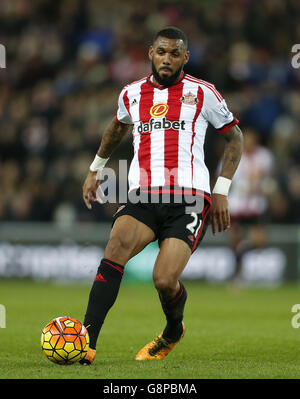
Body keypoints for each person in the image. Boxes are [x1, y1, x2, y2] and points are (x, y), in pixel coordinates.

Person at [80, 26, 243, 365]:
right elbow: (117, 126)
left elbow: (235, 138)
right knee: (115, 248)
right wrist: (96, 168)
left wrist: (222, 190)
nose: (167, 59)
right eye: (161, 52)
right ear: (150, 53)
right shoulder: (132, 93)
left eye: (174, 53)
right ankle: (86, 343)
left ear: (185, 57)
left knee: (165, 280)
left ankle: (172, 330)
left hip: (190, 199)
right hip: (144, 195)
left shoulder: (203, 93)